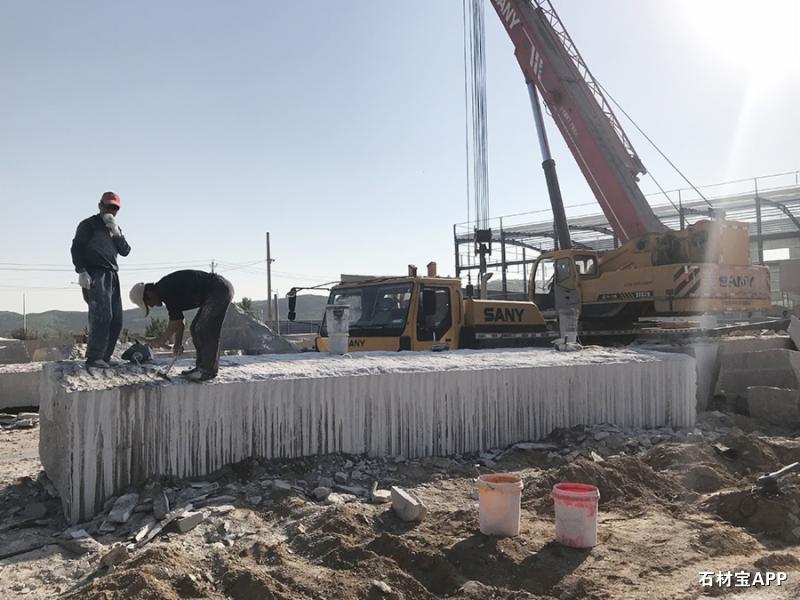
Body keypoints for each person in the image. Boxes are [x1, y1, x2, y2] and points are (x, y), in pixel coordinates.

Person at [129, 270, 234, 381]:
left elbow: (176, 322)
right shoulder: (164, 290)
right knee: (195, 328)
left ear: (149, 294)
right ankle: (201, 368)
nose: (152, 306)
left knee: (203, 329)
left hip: (219, 290)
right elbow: (179, 321)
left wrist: (161, 340)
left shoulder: (165, 289)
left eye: (149, 303)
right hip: (217, 290)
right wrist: (177, 344)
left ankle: (207, 370)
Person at [70, 191, 131, 368]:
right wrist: (81, 270)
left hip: (112, 275)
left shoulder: (115, 228)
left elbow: (125, 251)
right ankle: (94, 356)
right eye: (108, 206)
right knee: (102, 316)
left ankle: (105, 356)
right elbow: (77, 248)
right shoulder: (89, 225)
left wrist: (116, 233)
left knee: (116, 320)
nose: (110, 210)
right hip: (95, 273)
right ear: (100, 205)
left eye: (114, 208)